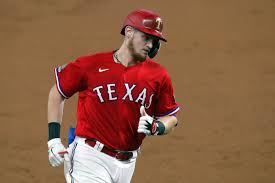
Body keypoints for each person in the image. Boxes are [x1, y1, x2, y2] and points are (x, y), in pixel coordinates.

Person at [47, 9, 180, 183]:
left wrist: (157, 127)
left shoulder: (158, 76)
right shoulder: (91, 65)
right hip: (89, 158)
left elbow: (170, 117)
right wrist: (53, 140)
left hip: (127, 164)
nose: (150, 45)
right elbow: (57, 92)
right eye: (146, 38)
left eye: (154, 41)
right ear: (129, 32)